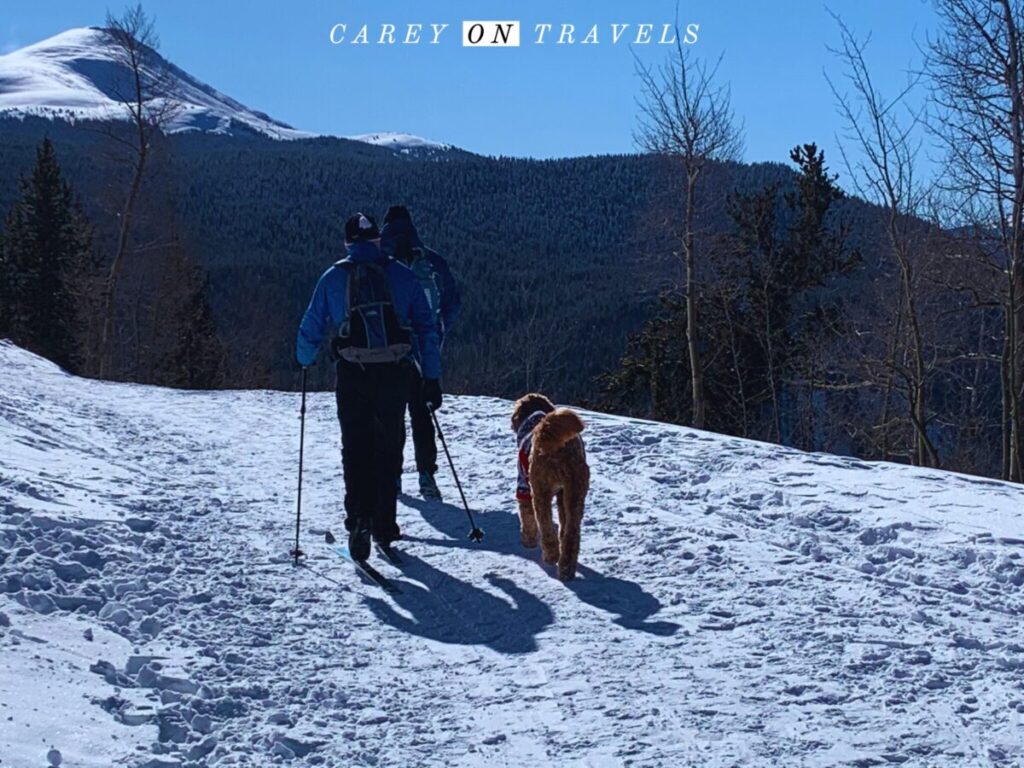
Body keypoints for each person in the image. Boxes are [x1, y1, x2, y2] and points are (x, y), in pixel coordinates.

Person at [296, 212, 443, 561]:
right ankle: (385, 525)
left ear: (348, 243)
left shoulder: (334, 277)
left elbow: (312, 325)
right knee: (388, 446)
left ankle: (358, 518)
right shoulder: (402, 275)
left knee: (356, 446)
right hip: (394, 372)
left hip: (352, 372)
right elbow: (425, 328)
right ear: (377, 240)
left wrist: (304, 359)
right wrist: (432, 377)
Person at [379, 205, 462, 500]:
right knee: (423, 413)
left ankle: (393, 476)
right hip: (425, 349)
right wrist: (437, 333)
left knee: (391, 416)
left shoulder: (380, 263)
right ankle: (426, 475)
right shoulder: (432, 261)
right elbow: (451, 302)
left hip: (388, 353)